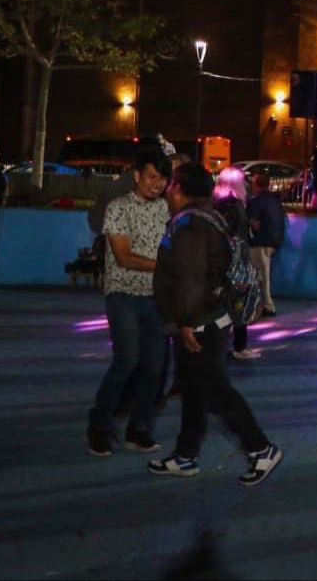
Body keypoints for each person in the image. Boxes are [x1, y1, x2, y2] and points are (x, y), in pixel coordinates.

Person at [148, 162, 282, 486]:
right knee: (194, 390)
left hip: (201, 323)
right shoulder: (209, 216)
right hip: (207, 319)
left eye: (171, 184)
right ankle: (186, 455)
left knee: (215, 390)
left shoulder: (192, 224)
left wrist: (186, 323)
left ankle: (260, 448)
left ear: (178, 188)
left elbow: (192, 280)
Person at [87, 150, 172, 458]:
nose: (157, 184)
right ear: (137, 175)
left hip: (155, 297)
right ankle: (99, 425)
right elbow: (123, 256)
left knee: (154, 366)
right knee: (127, 360)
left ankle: (139, 428)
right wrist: (165, 268)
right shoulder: (118, 208)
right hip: (122, 293)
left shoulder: (165, 209)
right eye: (151, 176)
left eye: (163, 178)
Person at [213, 168, 260, 361]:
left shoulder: (219, 204)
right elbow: (232, 234)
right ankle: (238, 346)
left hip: (227, 261)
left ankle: (225, 345)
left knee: (227, 305)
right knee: (239, 304)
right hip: (236, 262)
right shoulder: (234, 205)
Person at [245, 170, 286, 318]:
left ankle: (266, 305)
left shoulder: (257, 201)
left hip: (260, 242)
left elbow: (251, 220)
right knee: (264, 274)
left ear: (256, 185)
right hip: (273, 242)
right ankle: (264, 305)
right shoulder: (275, 200)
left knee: (260, 276)